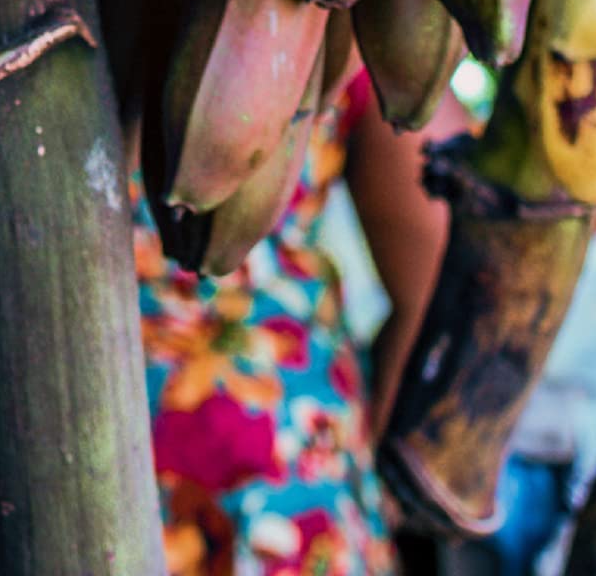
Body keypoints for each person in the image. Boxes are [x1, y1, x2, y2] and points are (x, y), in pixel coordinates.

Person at [133, 72, 468, 576]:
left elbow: (448, 269)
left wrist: (390, 465)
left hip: (276, 485)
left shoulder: (346, 11)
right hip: (279, 465)